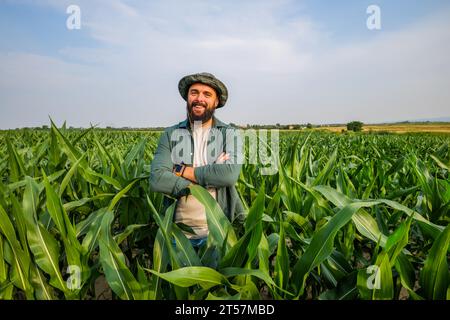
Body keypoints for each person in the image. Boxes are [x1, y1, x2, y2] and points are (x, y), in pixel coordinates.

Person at [149, 72, 244, 249]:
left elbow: (228, 175)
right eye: (194, 93)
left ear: (216, 102)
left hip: (218, 233)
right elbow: (157, 179)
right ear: (187, 97)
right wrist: (211, 174)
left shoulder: (229, 134)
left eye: (207, 94)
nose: (199, 98)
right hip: (177, 233)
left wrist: (180, 170)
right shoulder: (170, 135)